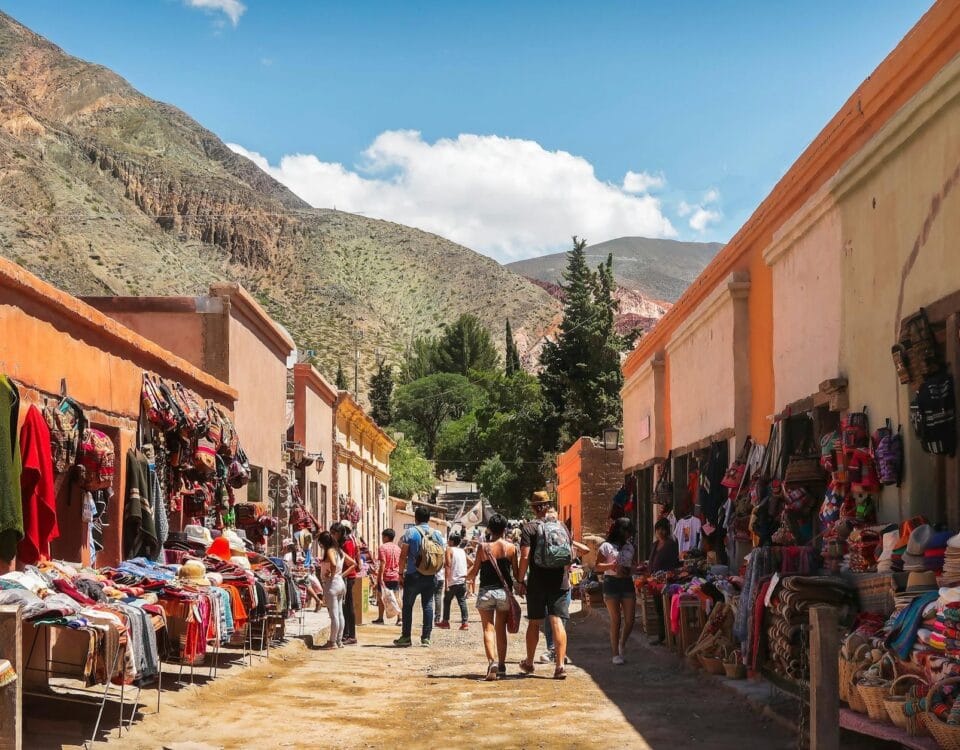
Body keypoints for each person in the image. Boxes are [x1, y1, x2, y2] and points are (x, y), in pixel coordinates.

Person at [517, 491, 570, 680]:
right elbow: (568, 555)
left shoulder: (529, 528)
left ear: (533, 507)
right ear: (548, 506)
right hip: (559, 581)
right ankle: (560, 666)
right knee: (556, 621)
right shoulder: (561, 526)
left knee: (535, 622)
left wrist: (520, 579)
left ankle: (529, 663)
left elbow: (524, 556)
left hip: (537, 582)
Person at [466, 513, 518, 680]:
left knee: (488, 628)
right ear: (505, 529)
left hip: (486, 591)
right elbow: (516, 574)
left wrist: (465, 576)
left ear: (489, 529)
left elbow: (474, 572)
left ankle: (492, 662)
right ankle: (502, 665)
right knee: (501, 628)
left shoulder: (482, 547)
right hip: (504, 593)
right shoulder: (511, 548)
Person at [540, 512, 590, 665]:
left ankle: (556, 651)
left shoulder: (564, 546)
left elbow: (586, 550)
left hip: (559, 586)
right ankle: (553, 650)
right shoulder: (548, 544)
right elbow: (586, 550)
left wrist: (570, 540)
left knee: (555, 619)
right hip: (562, 587)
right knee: (556, 619)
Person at [394, 507, 445, 647]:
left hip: (413, 574)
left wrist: (400, 574)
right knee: (428, 605)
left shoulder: (411, 532)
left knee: (408, 606)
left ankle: (406, 637)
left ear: (415, 518)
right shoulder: (437, 534)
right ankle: (426, 638)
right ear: (429, 518)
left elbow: (403, 555)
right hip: (430, 575)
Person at [596, 517, 637, 665]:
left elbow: (633, 565)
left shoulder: (630, 547)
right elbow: (597, 566)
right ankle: (615, 653)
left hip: (627, 582)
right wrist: (610, 566)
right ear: (620, 530)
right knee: (616, 620)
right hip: (611, 583)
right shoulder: (606, 546)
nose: (629, 535)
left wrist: (635, 569)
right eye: (627, 531)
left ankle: (622, 643)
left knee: (630, 620)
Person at [317, 530, 356, 649]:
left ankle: (332, 641)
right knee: (340, 614)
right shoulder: (340, 551)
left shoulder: (329, 551)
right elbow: (353, 563)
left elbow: (333, 564)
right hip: (340, 583)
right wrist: (340, 575)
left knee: (334, 615)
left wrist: (332, 575)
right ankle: (339, 640)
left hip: (332, 584)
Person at [332, 521, 360, 645]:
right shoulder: (347, 541)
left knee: (348, 606)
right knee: (344, 607)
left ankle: (351, 635)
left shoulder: (348, 543)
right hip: (344, 578)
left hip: (348, 578)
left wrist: (340, 576)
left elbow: (352, 564)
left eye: (334, 533)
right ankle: (346, 634)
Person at [438, 533, 469, 630]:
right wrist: (467, 574)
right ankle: (465, 623)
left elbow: (448, 565)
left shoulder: (449, 550)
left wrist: (446, 582)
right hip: (462, 580)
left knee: (446, 601)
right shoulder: (462, 551)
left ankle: (445, 622)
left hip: (453, 580)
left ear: (451, 541)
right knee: (462, 601)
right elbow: (471, 562)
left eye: (449, 540)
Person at [373, 528, 402, 625]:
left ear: (386, 537)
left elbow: (383, 563)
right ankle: (400, 618)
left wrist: (379, 577)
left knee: (381, 597)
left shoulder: (382, 548)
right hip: (395, 576)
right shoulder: (398, 548)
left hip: (385, 576)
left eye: (382, 536)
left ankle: (380, 618)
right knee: (397, 597)